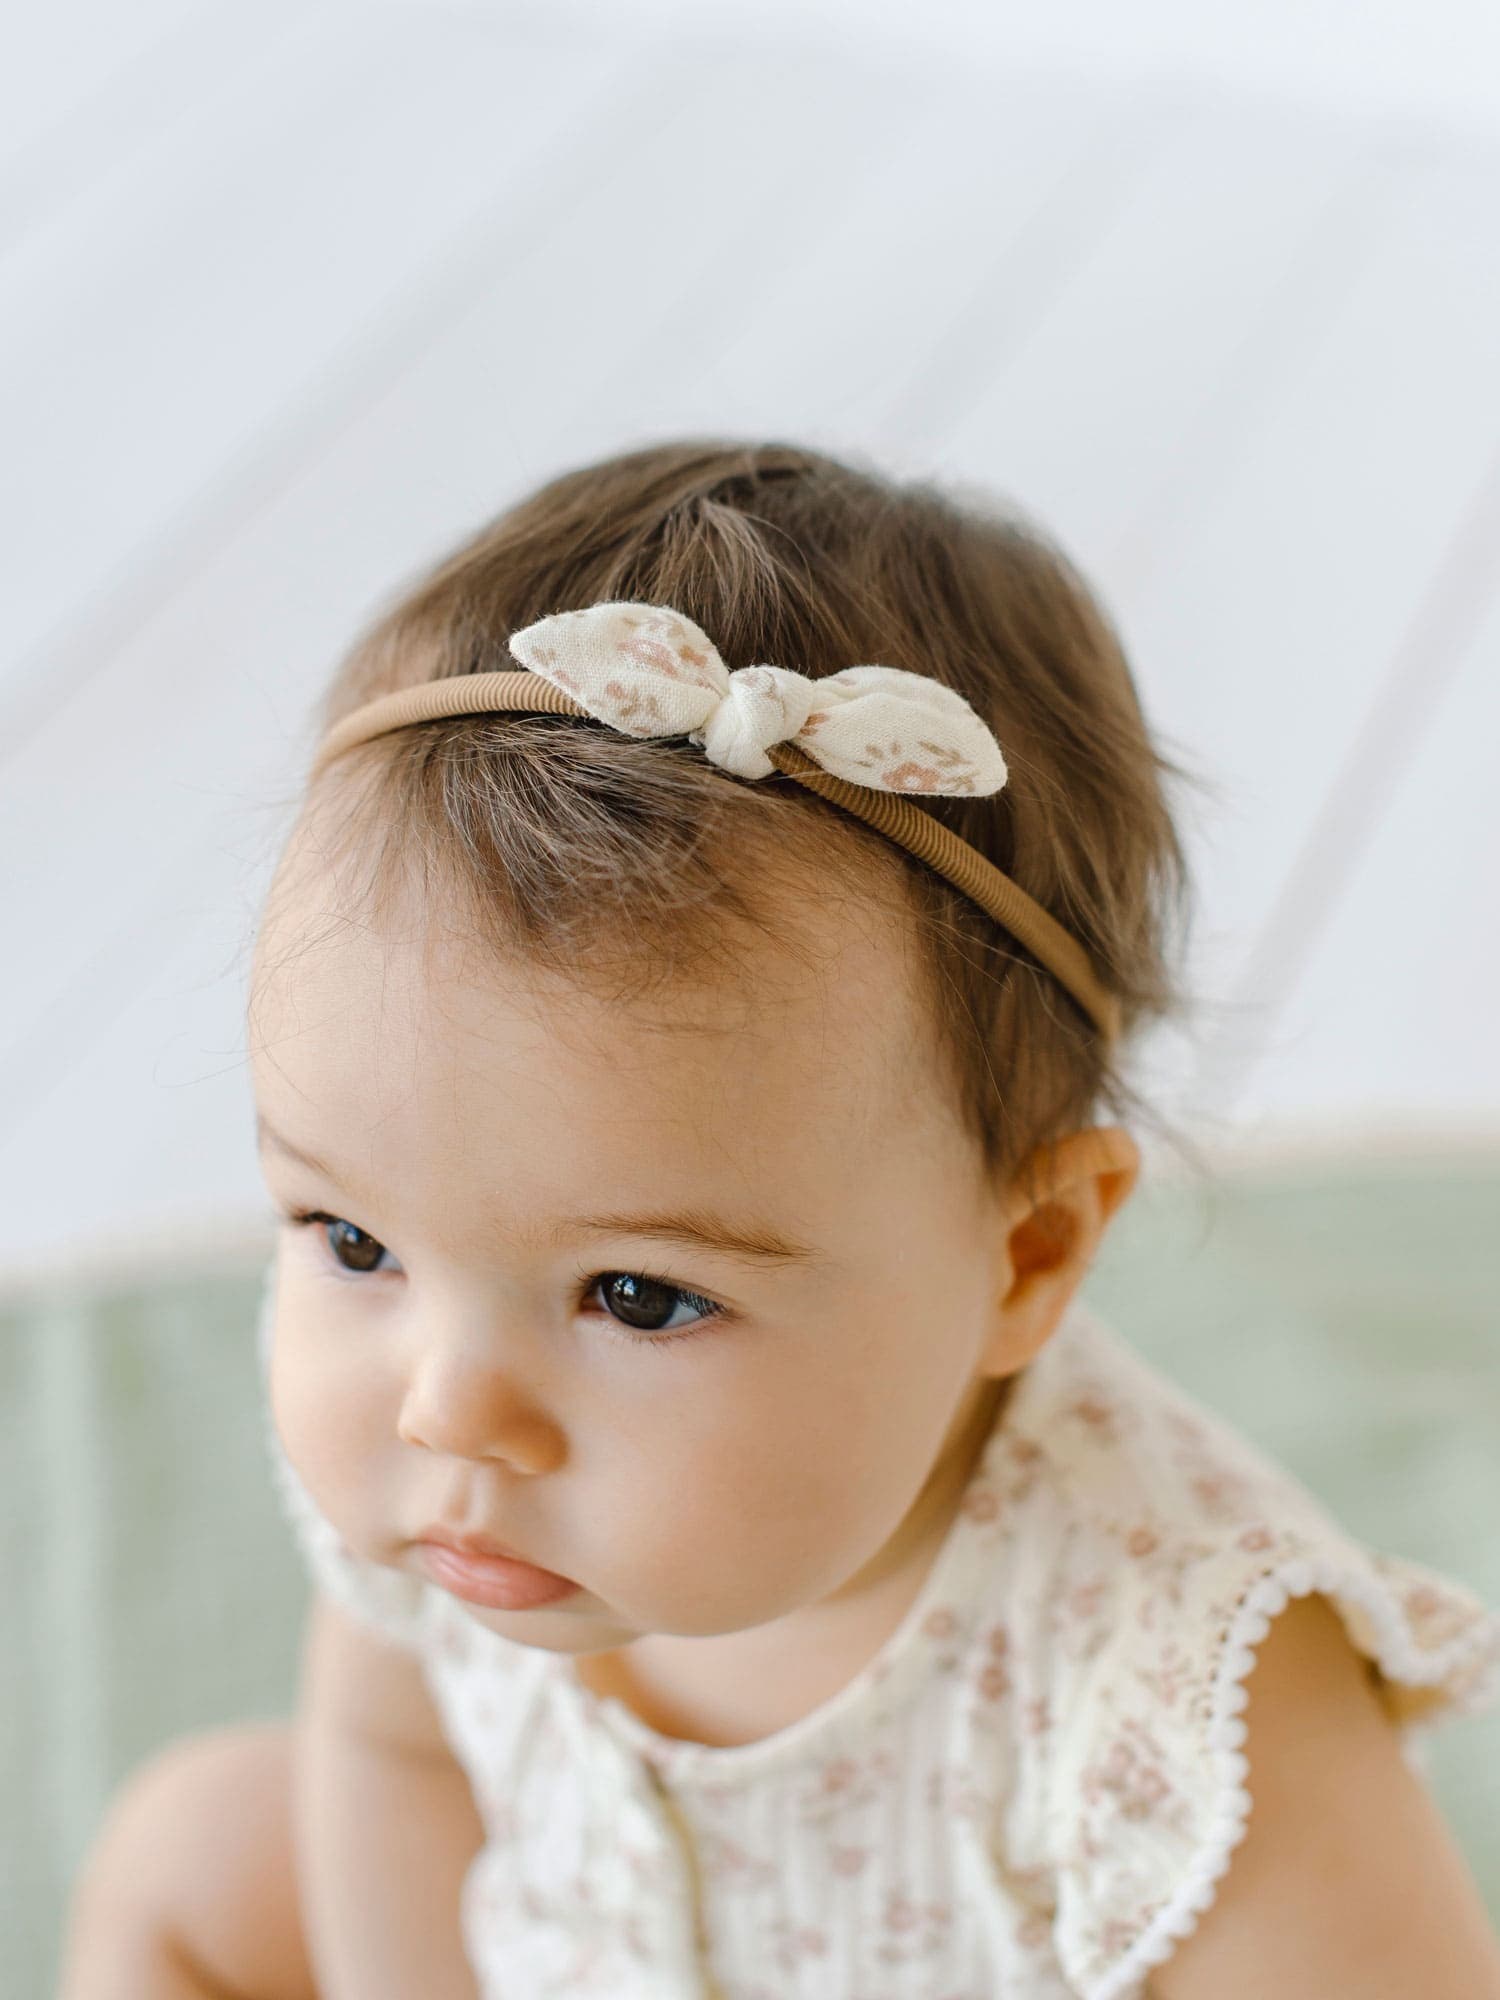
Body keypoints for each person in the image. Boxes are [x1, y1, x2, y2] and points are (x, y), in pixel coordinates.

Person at [60, 439, 1500, 1999]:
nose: (448, 1407)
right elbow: (398, 1757)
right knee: (186, 1852)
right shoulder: (451, 1479)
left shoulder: (1181, 1708)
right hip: (576, 1945)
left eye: (637, 1296)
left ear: (1027, 1253)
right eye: (356, 1243)